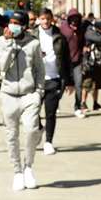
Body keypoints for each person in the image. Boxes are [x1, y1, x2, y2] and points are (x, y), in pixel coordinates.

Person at [0, 10, 44, 191]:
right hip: (8, 95)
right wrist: (9, 44)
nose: (12, 26)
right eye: (10, 22)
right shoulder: (0, 42)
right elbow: (0, 66)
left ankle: (28, 166)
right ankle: (17, 171)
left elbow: (39, 69)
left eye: (16, 23)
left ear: (24, 26)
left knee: (31, 130)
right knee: (11, 135)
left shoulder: (33, 44)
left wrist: (39, 92)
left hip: (29, 94)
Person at [34, 8, 73, 156]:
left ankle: (48, 142)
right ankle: (38, 128)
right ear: (39, 19)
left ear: (52, 19)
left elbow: (67, 59)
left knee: (50, 113)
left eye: (48, 18)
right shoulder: (32, 35)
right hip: (36, 80)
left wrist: (69, 81)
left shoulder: (59, 36)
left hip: (54, 79)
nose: (45, 21)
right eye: (42, 18)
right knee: (32, 112)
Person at [60, 12, 86, 118]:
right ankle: (55, 103)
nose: (74, 21)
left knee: (79, 84)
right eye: (72, 19)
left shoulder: (80, 29)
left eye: (77, 19)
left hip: (77, 61)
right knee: (61, 85)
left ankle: (78, 107)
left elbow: (83, 42)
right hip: (65, 62)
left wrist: (84, 48)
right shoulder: (63, 28)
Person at [81, 16, 101, 113]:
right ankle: (83, 102)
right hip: (89, 63)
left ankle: (95, 103)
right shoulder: (90, 32)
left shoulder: (99, 32)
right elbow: (99, 40)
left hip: (98, 62)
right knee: (87, 84)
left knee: (97, 84)